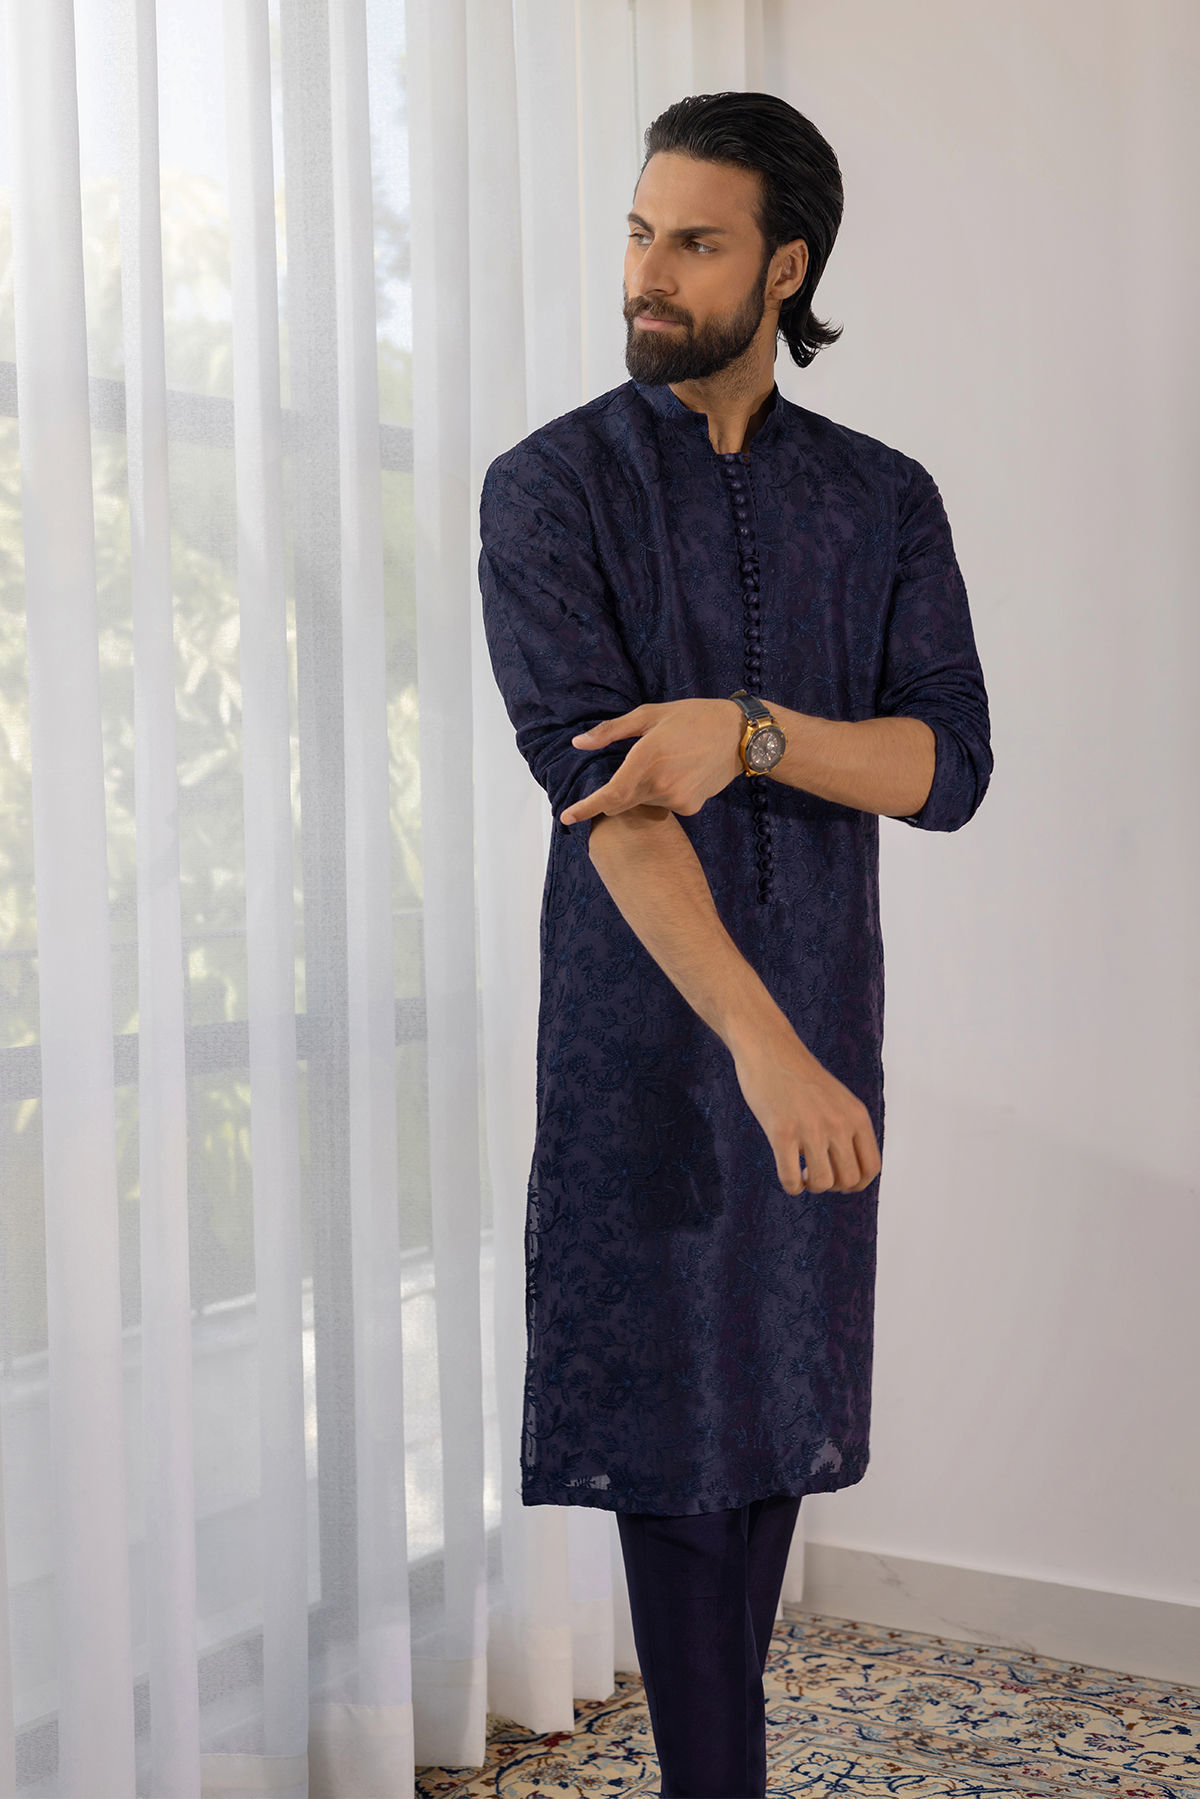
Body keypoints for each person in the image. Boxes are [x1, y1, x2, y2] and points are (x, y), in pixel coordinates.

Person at [477, 90, 992, 1799]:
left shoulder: (882, 499)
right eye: (640, 231)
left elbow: (945, 767)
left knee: (773, 1428)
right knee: (673, 1455)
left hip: (827, 1013)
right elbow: (611, 807)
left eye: (694, 242)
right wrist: (763, 1053)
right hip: (646, 1039)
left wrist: (748, 732)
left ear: (785, 268)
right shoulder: (547, 490)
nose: (648, 270)